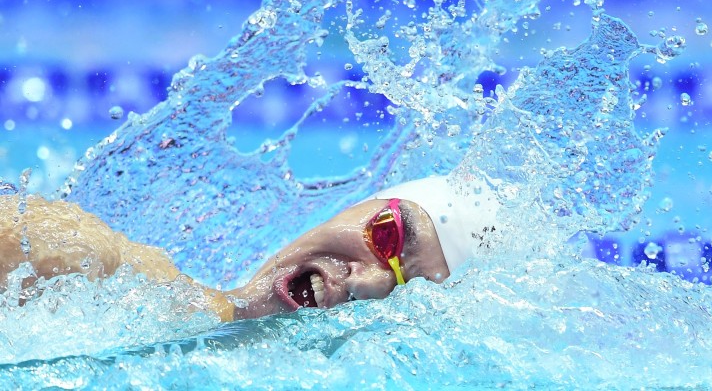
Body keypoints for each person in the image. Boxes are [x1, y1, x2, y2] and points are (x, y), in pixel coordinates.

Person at [0, 175, 499, 322]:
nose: (367, 282)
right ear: (353, 207)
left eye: (407, 293)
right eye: (387, 237)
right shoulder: (108, 272)